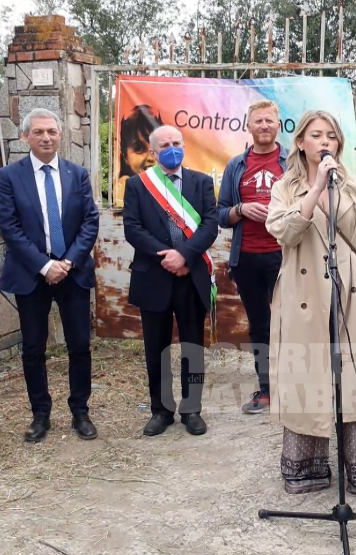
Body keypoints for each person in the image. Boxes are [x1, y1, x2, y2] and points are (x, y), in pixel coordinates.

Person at [266, 110, 356, 496]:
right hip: (303, 295)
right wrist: (316, 188)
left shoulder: (355, 187)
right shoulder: (284, 187)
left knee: (354, 377)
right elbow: (283, 232)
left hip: (350, 292)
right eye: (316, 135)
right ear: (301, 142)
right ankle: (307, 469)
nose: (324, 142)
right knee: (307, 375)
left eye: (331, 136)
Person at [0, 108, 101, 443]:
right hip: (32, 274)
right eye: (38, 132)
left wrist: (67, 262)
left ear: (60, 136)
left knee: (80, 345)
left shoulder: (77, 174)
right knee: (33, 348)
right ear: (25, 136)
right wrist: (45, 265)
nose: (46, 137)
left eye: (52, 132)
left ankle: (80, 412)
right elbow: (10, 228)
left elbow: (89, 222)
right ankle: (40, 415)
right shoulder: (10, 176)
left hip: (73, 273)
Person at [123, 125, 218, 437]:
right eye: (165, 144)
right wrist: (166, 256)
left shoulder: (201, 182)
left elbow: (210, 225)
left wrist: (185, 256)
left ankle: (192, 410)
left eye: (177, 143)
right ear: (153, 152)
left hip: (191, 276)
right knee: (156, 349)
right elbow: (133, 229)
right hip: (154, 275)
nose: (172, 148)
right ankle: (161, 410)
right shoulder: (138, 185)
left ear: (184, 146)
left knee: (192, 346)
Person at [217, 100, 288, 414]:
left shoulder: (292, 162)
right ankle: (267, 389)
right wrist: (241, 210)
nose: (263, 126)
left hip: (284, 256)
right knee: (259, 325)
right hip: (246, 257)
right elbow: (220, 214)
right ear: (249, 126)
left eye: (269, 121)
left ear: (278, 125)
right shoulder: (236, 166)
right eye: (257, 121)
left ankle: (292, 386)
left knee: (289, 324)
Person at [114, 105, 163, 208]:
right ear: (125, 156)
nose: (150, 157)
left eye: (157, 147)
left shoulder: (176, 189)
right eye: (140, 149)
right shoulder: (122, 191)